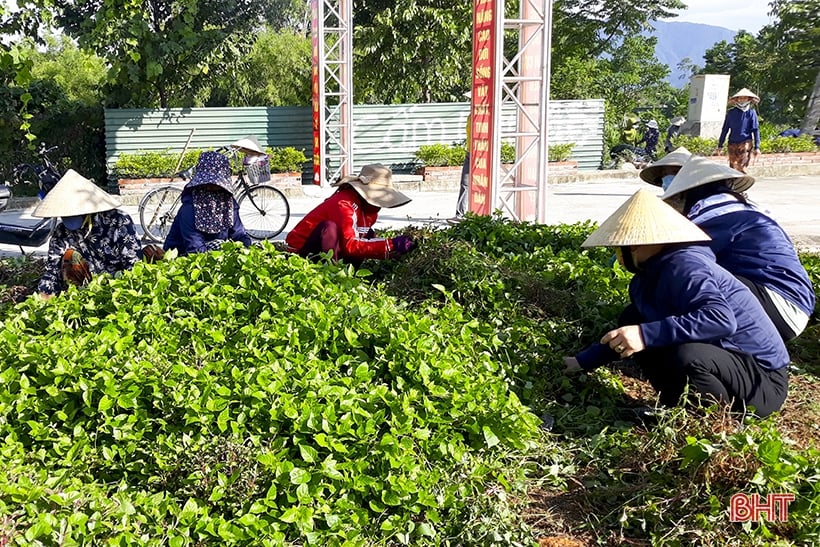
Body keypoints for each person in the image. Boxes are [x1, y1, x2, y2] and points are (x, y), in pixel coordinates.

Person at [564, 189, 789, 419]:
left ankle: (711, 420)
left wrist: (645, 335)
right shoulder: (650, 274)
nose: (620, 255)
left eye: (622, 246)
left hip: (762, 382)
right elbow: (639, 326)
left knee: (685, 354)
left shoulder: (686, 266)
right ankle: (676, 406)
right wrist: (582, 362)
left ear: (638, 244)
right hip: (728, 365)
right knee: (633, 318)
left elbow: (720, 319)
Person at [660, 156, 815, 341]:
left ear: (691, 191)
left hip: (779, 308)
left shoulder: (717, 216)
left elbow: (674, 257)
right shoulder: (737, 208)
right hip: (792, 306)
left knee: (682, 273)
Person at [32, 169, 142, 299]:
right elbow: (52, 271)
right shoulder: (61, 232)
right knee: (70, 256)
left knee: (152, 253)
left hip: (119, 284)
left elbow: (133, 263)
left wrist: (125, 294)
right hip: (86, 286)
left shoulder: (118, 221)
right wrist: (43, 299)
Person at [285, 163, 416, 266]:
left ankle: (348, 274)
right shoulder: (344, 204)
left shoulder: (370, 212)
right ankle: (332, 274)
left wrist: (390, 251)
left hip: (332, 247)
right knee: (329, 227)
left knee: (369, 234)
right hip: (302, 252)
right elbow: (350, 245)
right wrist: (391, 244)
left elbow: (360, 240)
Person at [163, 151, 252, 256]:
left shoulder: (228, 203)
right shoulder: (190, 207)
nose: (211, 189)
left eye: (216, 186)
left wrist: (246, 248)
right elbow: (194, 247)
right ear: (200, 185)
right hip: (183, 256)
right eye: (208, 185)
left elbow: (239, 234)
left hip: (213, 254)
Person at [716, 88, 761, 173]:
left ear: (749, 99)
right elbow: (725, 129)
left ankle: (744, 180)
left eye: (744, 98)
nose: (742, 100)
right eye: (740, 98)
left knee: (741, 166)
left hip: (745, 142)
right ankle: (734, 184)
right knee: (733, 167)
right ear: (736, 100)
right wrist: (720, 145)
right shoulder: (731, 113)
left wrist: (757, 147)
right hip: (732, 142)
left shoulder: (751, 113)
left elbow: (755, 130)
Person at [449, 91, 472, 224]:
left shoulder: (481, 116)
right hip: (469, 152)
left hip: (479, 153)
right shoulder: (470, 116)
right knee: (465, 184)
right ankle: (460, 214)